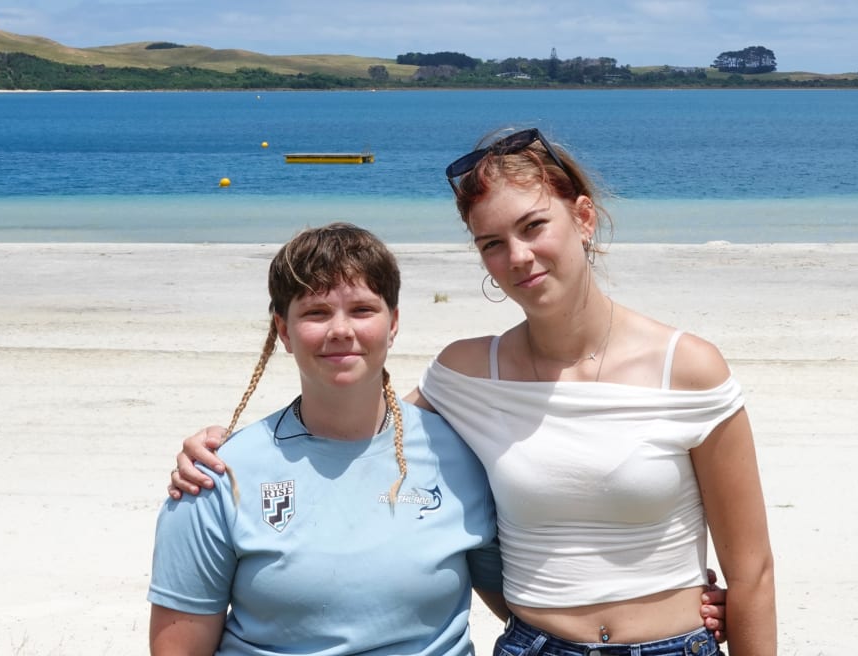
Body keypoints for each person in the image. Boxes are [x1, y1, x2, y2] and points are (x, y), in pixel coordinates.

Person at [168, 129, 746, 650]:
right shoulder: (464, 375)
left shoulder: (687, 366)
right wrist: (222, 447)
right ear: (283, 330)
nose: (516, 256)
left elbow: (754, 571)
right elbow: (364, 419)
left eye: (533, 225)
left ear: (585, 218)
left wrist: (706, 611)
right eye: (491, 242)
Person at [148, 223, 506, 655]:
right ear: (284, 330)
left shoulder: (460, 455)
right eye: (316, 312)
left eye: (362, 310)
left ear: (393, 324)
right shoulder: (218, 475)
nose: (340, 330)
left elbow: (530, 603)